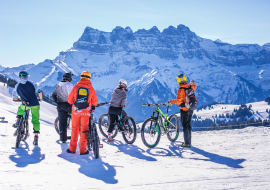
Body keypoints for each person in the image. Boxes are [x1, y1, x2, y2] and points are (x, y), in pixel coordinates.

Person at [66, 71, 98, 155]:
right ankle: (83, 150)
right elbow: (95, 101)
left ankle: (72, 149)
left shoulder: (76, 86)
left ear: (81, 77)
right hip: (86, 112)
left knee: (74, 129)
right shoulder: (90, 87)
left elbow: (69, 99)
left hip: (76, 111)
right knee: (84, 130)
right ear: (89, 78)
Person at [12, 70, 43, 145]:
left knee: (20, 109)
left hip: (25, 104)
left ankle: (18, 121)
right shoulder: (32, 83)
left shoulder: (18, 85)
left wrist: (17, 99)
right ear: (27, 76)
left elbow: (14, 96)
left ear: (20, 77)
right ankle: (36, 137)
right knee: (35, 120)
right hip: (35, 104)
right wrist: (40, 99)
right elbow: (39, 92)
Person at [170, 74, 196, 148]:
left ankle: (187, 143)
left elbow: (179, 101)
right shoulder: (190, 87)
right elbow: (194, 87)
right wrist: (192, 83)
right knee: (189, 125)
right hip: (191, 108)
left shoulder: (180, 90)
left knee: (185, 126)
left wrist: (171, 101)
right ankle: (189, 142)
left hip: (184, 110)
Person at [52, 72, 74, 143]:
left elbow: (53, 95)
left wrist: (57, 102)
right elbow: (71, 96)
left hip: (60, 105)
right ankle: (75, 135)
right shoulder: (69, 85)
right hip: (67, 104)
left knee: (62, 122)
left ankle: (63, 139)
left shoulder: (58, 85)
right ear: (70, 78)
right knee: (76, 117)